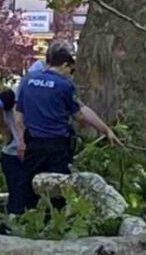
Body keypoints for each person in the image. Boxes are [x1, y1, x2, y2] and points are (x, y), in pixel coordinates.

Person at [15, 45, 117, 210]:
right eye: (71, 70)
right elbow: (79, 114)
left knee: (28, 184)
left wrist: (21, 141)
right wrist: (105, 130)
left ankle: (23, 216)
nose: (71, 75)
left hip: (33, 143)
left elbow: (19, 116)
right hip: (57, 145)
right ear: (64, 65)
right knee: (58, 187)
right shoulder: (64, 85)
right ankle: (55, 218)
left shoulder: (28, 81)